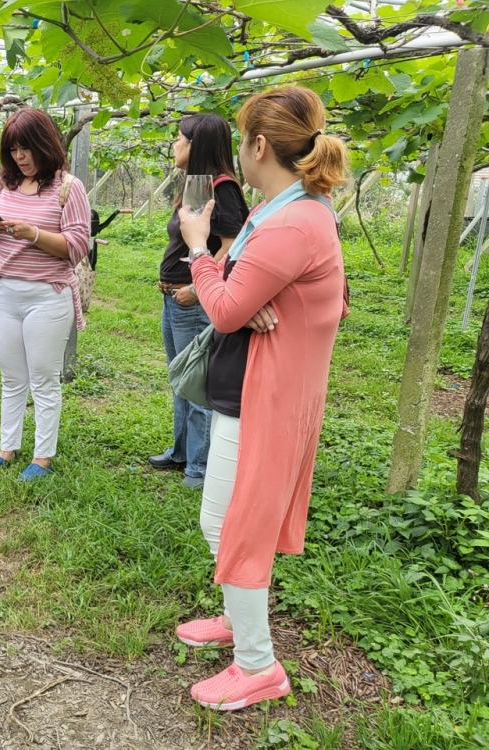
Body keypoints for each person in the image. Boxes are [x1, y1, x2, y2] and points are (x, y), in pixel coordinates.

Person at [174, 86, 349, 710]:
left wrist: (198, 248)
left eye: (243, 140)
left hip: (264, 400)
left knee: (233, 528)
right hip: (245, 388)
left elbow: (221, 309)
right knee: (224, 523)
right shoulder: (285, 206)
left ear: (258, 145)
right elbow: (247, 299)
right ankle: (236, 620)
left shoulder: (295, 219)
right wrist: (247, 304)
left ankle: (258, 666)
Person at [0, 109, 91, 481]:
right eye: (14, 149)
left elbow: (77, 245)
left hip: (47, 295)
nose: (20, 157)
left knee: (43, 377)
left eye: (27, 148)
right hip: (4, 293)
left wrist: (33, 234)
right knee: (11, 376)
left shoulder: (68, 187)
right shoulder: (3, 185)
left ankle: (42, 457)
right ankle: (7, 449)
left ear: (45, 144)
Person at [147, 114, 249, 491]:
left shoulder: (222, 188)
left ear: (197, 145)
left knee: (195, 380)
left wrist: (196, 285)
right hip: (174, 296)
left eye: (179, 139)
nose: (174, 145)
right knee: (180, 378)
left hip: (193, 298)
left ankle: (199, 467)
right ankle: (181, 453)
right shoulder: (197, 188)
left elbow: (231, 244)